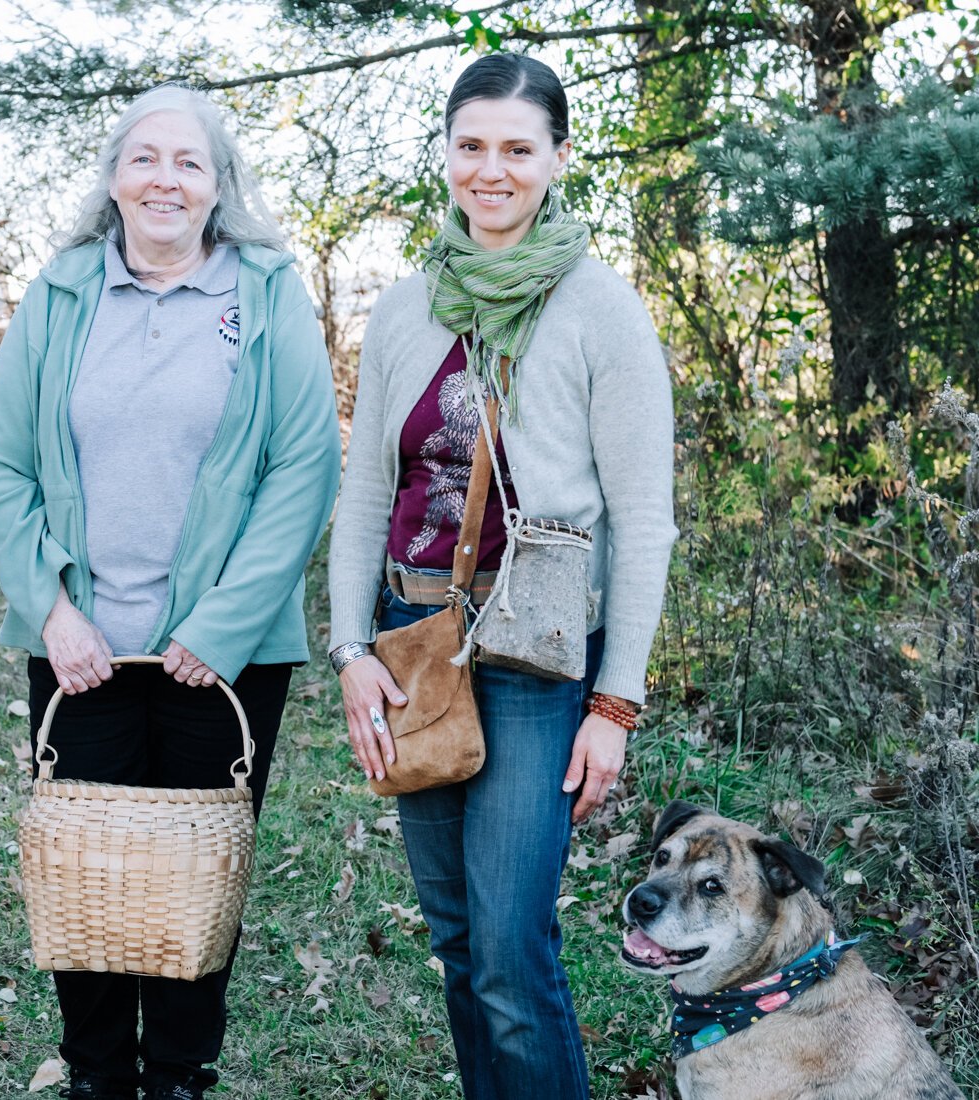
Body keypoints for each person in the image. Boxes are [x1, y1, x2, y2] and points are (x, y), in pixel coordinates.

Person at [0, 84, 341, 1100]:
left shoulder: (265, 293)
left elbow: (302, 470)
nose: (163, 178)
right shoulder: (60, 292)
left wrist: (218, 625)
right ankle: (96, 1075)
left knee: (192, 880)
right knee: (81, 869)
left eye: (188, 161)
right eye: (145, 158)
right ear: (114, 179)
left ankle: (178, 1074)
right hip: (79, 648)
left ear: (218, 186)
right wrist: (50, 608)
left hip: (221, 657)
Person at [327, 54, 676, 1098]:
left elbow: (645, 523)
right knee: (456, 941)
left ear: (557, 159)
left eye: (517, 149)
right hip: (412, 640)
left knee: (514, 954)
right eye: (471, 145)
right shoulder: (402, 309)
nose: (492, 169)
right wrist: (350, 649)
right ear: (444, 155)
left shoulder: (602, 311)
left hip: (534, 651)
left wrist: (613, 701)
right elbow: (361, 494)